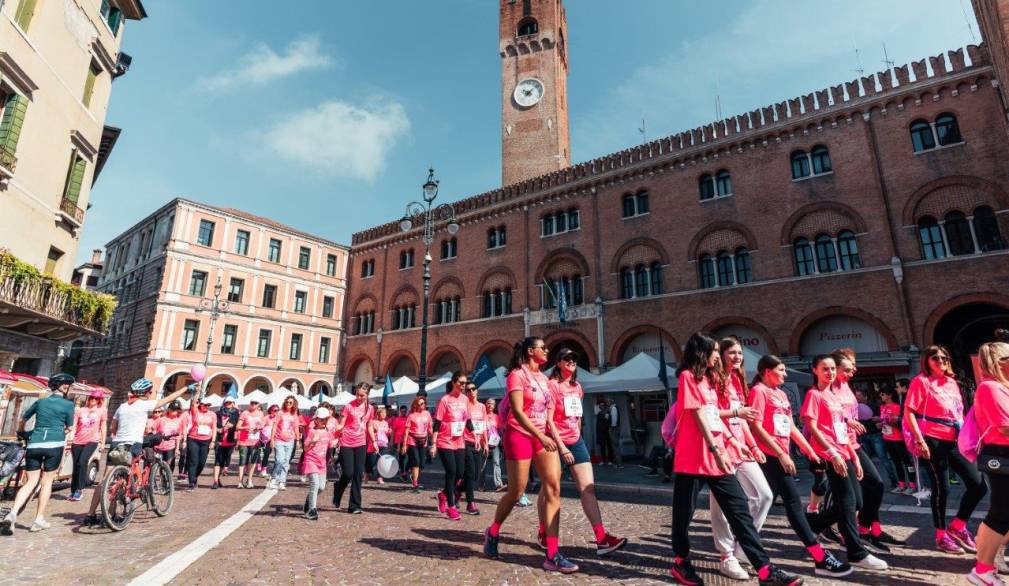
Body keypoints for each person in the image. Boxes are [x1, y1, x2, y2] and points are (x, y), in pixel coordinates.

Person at [668, 333, 804, 586]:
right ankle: (681, 562)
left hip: (717, 456)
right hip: (693, 458)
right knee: (683, 514)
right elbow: (698, 415)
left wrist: (733, 442)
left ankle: (765, 569)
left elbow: (715, 417)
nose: (718, 356)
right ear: (703, 353)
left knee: (739, 511)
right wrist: (717, 449)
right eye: (715, 352)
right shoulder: (688, 377)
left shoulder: (711, 381)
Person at [747, 355, 851, 577]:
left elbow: (791, 427)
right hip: (769, 456)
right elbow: (755, 426)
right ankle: (819, 557)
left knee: (761, 503)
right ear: (767, 371)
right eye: (781, 370)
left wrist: (810, 451)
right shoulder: (758, 391)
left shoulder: (782, 394)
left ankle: (740, 546)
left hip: (781, 454)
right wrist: (780, 454)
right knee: (793, 504)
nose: (785, 374)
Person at [483, 337, 579, 574]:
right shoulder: (517, 374)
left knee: (554, 487)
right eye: (542, 347)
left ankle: (552, 553)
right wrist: (540, 434)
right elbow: (517, 410)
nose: (547, 350)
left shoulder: (545, 379)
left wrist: (553, 438)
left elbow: (548, 413)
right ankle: (493, 531)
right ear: (530, 351)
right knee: (517, 490)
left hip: (541, 436)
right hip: (519, 433)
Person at [802, 355, 887, 571]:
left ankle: (813, 524)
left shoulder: (832, 395)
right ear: (815, 370)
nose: (830, 373)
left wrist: (854, 455)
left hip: (845, 451)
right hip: (830, 455)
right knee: (848, 502)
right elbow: (812, 427)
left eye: (832, 369)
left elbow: (842, 429)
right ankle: (856, 552)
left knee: (856, 502)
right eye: (825, 369)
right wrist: (832, 454)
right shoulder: (814, 395)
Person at [905, 345, 987, 554]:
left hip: (956, 439)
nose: (941, 361)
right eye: (935, 358)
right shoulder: (921, 382)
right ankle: (941, 536)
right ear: (927, 361)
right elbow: (909, 412)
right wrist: (920, 439)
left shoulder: (952, 383)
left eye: (944, 357)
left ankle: (958, 526)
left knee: (978, 485)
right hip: (932, 439)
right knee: (943, 488)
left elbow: (959, 413)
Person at [546, 347, 628, 555]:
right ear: (558, 363)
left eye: (574, 359)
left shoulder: (578, 387)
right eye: (566, 358)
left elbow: (578, 416)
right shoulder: (552, 386)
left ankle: (601, 538)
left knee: (588, 488)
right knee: (550, 490)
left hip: (577, 441)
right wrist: (562, 447)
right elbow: (549, 420)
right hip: (556, 443)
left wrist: (579, 435)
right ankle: (543, 532)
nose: (571, 361)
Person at [82, 378, 191, 526]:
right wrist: (185, 389)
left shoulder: (122, 407)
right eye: (150, 391)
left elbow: (113, 428)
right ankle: (111, 515)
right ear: (145, 393)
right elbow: (168, 399)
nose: (151, 393)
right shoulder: (144, 405)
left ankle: (90, 514)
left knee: (106, 480)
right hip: (133, 444)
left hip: (116, 444)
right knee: (124, 480)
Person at [708, 337, 774, 581]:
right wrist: (736, 416)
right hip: (719, 447)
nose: (737, 357)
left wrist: (753, 445)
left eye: (740, 353)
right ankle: (726, 555)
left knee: (764, 495)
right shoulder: (713, 380)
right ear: (721, 354)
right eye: (731, 353)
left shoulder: (738, 380)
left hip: (741, 446)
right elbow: (710, 414)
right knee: (721, 508)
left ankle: (743, 545)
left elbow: (743, 418)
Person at [828, 349, 901, 553]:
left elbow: (851, 412)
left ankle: (868, 529)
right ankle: (819, 525)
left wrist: (859, 421)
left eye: (853, 366)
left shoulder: (846, 387)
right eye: (848, 367)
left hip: (854, 442)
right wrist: (847, 421)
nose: (854, 370)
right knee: (852, 498)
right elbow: (827, 418)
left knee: (874, 486)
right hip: (839, 446)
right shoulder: (827, 390)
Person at [2, 373, 76, 534]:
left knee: (30, 482)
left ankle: (12, 513)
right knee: (46, 481)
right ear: (64, 387)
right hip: (54, 445)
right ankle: (38, 520)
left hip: (34, 444)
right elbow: (70, 427)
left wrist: (22, 433)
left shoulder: (40, 402)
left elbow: (22, 420)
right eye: (69, 386)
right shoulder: (68, 405)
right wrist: (58, 432)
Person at [967, 341, 1009, 586]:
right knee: (1000, 512)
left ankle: (989, 561)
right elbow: (1004, 427)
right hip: (1001, 454)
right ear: (1000, 362)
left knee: (1003, 512)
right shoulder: (990, 388)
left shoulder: (1001, 387)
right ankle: (982, 570)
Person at [431, 372, 472, 521]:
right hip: (445, 441)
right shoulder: (445, 400)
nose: (463, 386)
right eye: (461, 383)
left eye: (465, 383)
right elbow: (437, 423)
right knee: (452, 472)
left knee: (460, 473)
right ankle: (451, 507)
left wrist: (478, 437)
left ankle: (443, 494)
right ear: (454, 382)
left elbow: (468, 421)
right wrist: (433, 444)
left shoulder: (465, 400)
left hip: (459, 441)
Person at [333, 383, 374, 513]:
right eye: (357, 394)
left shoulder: (370, 408)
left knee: (358, 474)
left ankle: (354, 505)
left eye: (362, 395)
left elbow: (370, 426)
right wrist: (333, 433)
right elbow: (341, 424)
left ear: (367, 395)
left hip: (361, 443)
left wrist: (374, 441)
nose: (359, 397)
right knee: (348, 473)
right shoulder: (348, 406)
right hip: (346, 442)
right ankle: (339, 487)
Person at [69, 390, 107, 502]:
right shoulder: (80, 410)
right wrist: (70, 437)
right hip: (77, 440)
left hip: (92, 440)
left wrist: (103, 441)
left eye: (95, 399)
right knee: (76, 466)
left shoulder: (102, 411)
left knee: (82, 462)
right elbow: (74, 425)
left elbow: (103, 426)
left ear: (99, 400)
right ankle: (73, 490)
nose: (92, 400)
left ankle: (80, 489)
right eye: (91, 398)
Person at [302, 407, 339, 520]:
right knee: (315, 484)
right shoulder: (312, 431)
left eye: (326, 419)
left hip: (321, 463)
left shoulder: (328, 432)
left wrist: (340, 437)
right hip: (311, 461)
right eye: (322, 419)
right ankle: (312, 510)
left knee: (322, 487)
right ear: (316, 420)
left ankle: (309, 500)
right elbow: (305, 448)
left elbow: (330, 444)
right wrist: (313, 441)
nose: (324, 421)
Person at [879, 387, 915, 494]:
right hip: (887, 438)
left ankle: (912, 485)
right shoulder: (882, 407)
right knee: (896, 462)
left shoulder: (897, 407)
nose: (881, 396)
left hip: (898, 439)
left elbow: (900, 423)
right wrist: (880, 423)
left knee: (906, 462)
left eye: (883, 394)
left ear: (890, 395)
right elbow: (885, 421)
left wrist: (890, 421)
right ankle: (902, 484)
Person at [460, 382, 487, 514]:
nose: (471, 392)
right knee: (470, 473)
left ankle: (456, 491)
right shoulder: (465, 406)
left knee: (475, 475)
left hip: (478, 444)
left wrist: (485, 443)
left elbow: (484, 426)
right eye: (468, 390)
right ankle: (471, 503)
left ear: (477, 391)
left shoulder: (482, 406)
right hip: (466, 442)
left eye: (473, 389)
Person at [184, 396, 217, 491]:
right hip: (193, 439)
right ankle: (191, 483)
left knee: (202, 462)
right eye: (205, 405)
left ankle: (195, 477)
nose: (207, 407)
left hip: (206, 440)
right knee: (193, 461)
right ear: (200, 405)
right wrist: (197, 392)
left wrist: (213, 441)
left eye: (209, 405)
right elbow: (193, 403)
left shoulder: (212, 414)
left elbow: (214, 427)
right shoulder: (195, 412)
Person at [400, 396, 432, 492]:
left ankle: (412, 474)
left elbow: (430, 428)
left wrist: (434, 440)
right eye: (419, 404)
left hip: (423, 441)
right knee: (416, 462)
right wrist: (404, 445)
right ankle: (415, 483)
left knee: (422, 464)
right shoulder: (411, 415)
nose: (421, 405)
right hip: (412, 439)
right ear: (415, 405)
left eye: (423, 403)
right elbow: (406, 431)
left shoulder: (427, 414)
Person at [269, 396, 301, 490]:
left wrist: (298, 440)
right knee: (279, 460)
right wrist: (272, 439)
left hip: (290, 441)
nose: (288, 404)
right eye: (287, 402)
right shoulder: (280, 413)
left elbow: (296, 427)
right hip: (279, 440)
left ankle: (282, 481)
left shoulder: (294, 414)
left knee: (286, 462)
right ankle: (274, 478)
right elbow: (274, 427)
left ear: (293, 404)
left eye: (290, 403)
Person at [236, 399, 267, 489]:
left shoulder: (260, 414)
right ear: (249, 403)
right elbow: (238, 426)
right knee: (242, 460)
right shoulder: (245, 413)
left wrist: (258, 427)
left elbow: (262, 425)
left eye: (255, 403)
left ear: (258, 404)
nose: (253, 404)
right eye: (252, 403)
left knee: (253, 461)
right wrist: (246, 427)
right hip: (244, 441)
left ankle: (249, 480)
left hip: (255, 441)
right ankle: (240, 482)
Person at [212, 397, 240, 488]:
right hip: (219, 440)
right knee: (217, 461)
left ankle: (218, 478)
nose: (228, 404)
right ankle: (215, 481)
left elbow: (235, 425)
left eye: (230, 403)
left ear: (233, 403)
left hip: (229, 440)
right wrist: (217, 429)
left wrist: (228, 427)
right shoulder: (217, 413)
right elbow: (213, 425)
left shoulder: (235, 413)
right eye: (227, 402)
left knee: (223, 462)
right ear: (224, 403)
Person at [153, 401, 185, 473]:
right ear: (169, 409)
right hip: (159, 446)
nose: (175, 411)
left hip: (170, 446)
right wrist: (154, 443)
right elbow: (154, 430)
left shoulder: (179, 421)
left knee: (170, 465)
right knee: (160, 465)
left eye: (177, 409)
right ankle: (159, 479)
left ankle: (168, 480)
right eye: (173, 409)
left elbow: (178, 435)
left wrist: (177, 448)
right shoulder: (161, 419)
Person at [482, 398, 505, 492]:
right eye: (488, 403)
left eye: (492, 404)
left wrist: (502, 439)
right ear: (485, 404)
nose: (490, 405)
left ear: (494, 406)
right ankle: (481, 485)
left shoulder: (496, 417)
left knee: (496, 462)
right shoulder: (482, 416)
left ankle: (498, 484)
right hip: (484, 442)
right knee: (483, 465)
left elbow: (500, 429)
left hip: (494, 443)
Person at [367, 406, 391, 485]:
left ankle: (380, 478)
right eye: (382, 412)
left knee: (381, 461)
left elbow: (386, 433)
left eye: (385, 413)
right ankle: (366, 472)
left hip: (383, 444)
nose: (384, 414)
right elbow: (369, 432)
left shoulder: (386, 423)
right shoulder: (373, 422)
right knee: (371, 462)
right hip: (374, 445)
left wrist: (389, 432)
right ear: (378, 413)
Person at [260, 404, 279, 478]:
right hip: (267, 438)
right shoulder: (267, 417)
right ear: (270, 410)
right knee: (267, 453)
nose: (276, 412)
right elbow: (262, 426)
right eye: (275, 410)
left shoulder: (278, 418)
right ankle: (263, 470)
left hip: (277, 437)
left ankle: (276, 471)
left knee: (278, 455)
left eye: (278, 410)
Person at [391, 405, 409, 480]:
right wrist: (391, 441)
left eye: (404, 411)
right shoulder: (397, 419)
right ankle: (403, 472)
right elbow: (393, 431)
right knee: (402, 457)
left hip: (407, 440)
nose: (403, 413)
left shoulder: (408, 419)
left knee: (408, 457)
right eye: (402, 411)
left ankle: (405, 471)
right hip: (398, 441)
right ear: (400, 411)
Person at [594, 398, 612, 465]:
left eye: (602, 405)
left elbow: (608, 422)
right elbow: (598, 425)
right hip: (601, 433)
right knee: (602, 447)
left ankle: (610, 460)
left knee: (609, 446)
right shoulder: (599, 414)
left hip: (607, 432)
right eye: (600, 406)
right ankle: (603, 460)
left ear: (604, 406)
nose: (601, 407)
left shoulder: (607, 413)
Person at [608, 398, 623, 467]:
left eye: (608, 401)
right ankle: (617, 462)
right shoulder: (612, 408)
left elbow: (614, 419)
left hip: (614, 428)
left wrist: (612, 428)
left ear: (611, 401)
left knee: (615, 446)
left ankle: (618, 463)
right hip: (615, 428)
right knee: (615, 446)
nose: (607, 403)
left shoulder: (613, 408)